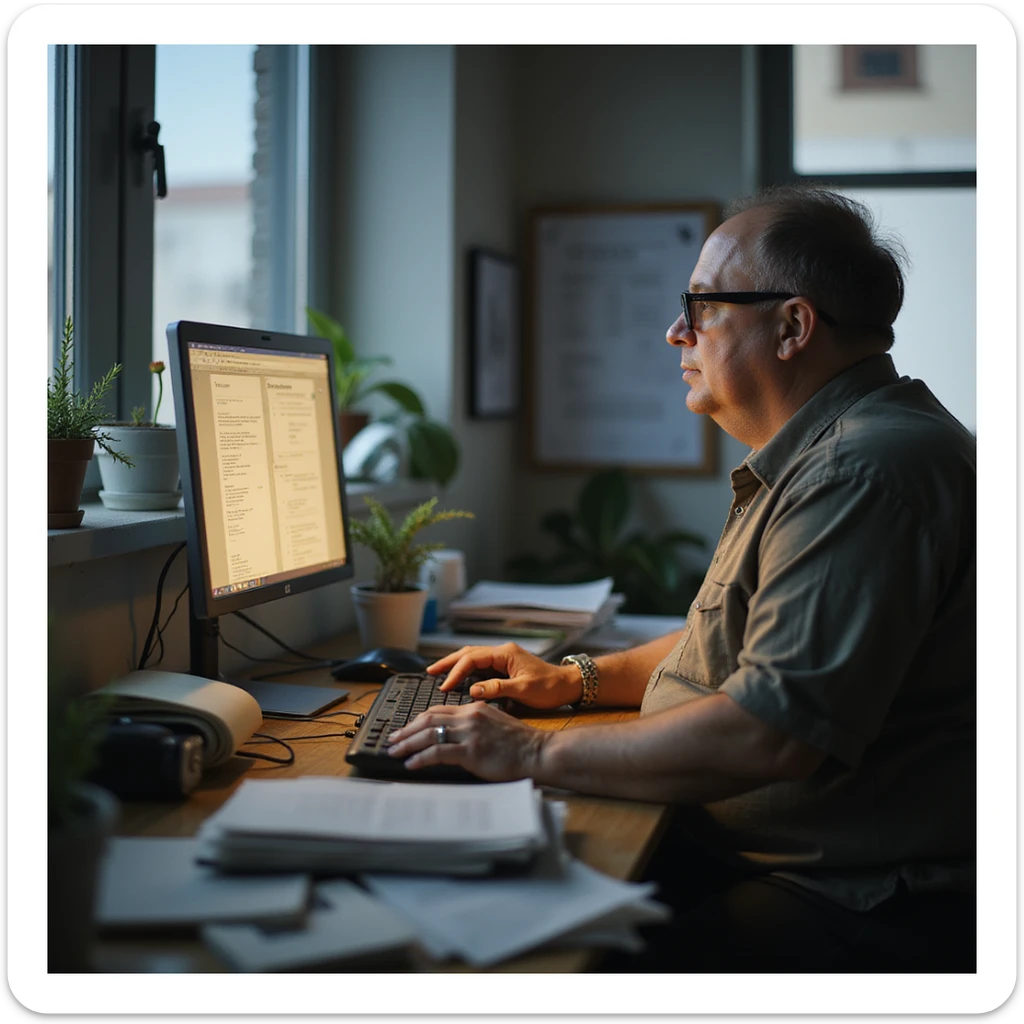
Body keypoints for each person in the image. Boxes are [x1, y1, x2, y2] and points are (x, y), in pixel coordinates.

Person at [386, 185, 977, 973]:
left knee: (503, 964)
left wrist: (529, 753)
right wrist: (575, 679)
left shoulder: (862, 472)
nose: (676, 332)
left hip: (850, 899)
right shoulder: (830, 451)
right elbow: (732, 641)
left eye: (701, 306)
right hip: (773, 857)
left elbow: (772, 731)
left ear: (793, 326)